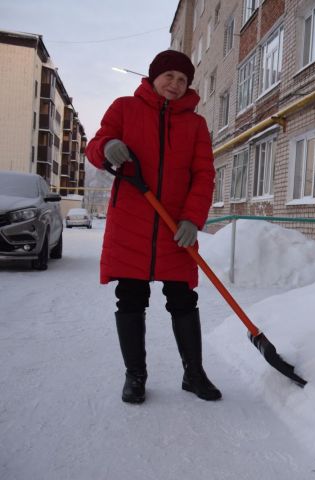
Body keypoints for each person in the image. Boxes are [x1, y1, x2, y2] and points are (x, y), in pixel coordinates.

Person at [86, 50, 220, 404]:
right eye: (169, 76)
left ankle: (194, 373)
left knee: (183, 299)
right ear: (153, 77)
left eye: (182, 79)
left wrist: (193, 219)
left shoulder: (195, 125)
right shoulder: (124, 109)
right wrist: (107, 146)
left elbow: (204, 175)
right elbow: (95, 145)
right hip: (131, 222)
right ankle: (136, 376)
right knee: (130, 298)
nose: (175, 84)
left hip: (175, 226)